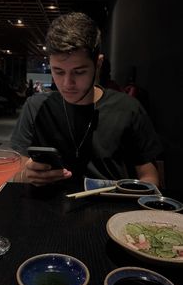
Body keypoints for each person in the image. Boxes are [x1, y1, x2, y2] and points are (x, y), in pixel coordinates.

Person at [11, 12, 162, 187]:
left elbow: (149, 176)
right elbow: (17, 173)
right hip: (49, 207)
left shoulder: (128, 108)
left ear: (98, 64)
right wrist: (27, 174)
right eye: (58, 71)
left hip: (113, 207)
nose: (67, 83)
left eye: (79, 72)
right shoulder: (36, 107)